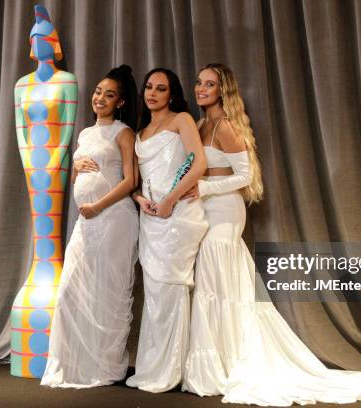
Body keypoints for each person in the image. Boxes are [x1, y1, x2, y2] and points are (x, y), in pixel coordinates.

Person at [181, 63, 361, 405]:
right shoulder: (202, 124)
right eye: (199, 82)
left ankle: (230, 362)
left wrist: (206, 187)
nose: (201, 88)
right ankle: (219, 361)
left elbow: (245, 176)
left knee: (218, 281)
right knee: (214, 283)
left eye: (210, 84)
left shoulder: (226, 127)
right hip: (207, 210)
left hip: (224, 210)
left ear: (223, 90)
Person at [41, 65, 139, 388]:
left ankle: (106, 366)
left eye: (109, 95)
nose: (100, 98)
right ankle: (73, 365)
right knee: (72, 289)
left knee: (107, 292)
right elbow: (79, 182)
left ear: (120, 102)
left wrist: (97, 205)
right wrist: (76, 169)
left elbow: (130, 180)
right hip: (87, 222)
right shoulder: (84, 133)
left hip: (114, 219)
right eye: (98, 92)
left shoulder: (123, 133)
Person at [125, 68, 208, 393]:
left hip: (179, 214)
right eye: (149, 87)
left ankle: (171, 370)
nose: (152, 93)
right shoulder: (140, 131)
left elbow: (197, 163)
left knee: (172, 288)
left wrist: (171, 200)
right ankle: (152, 366)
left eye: (160, 89)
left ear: (171, 95)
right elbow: (136, 180)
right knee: (156, 292)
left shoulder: (182, 120)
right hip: (152, 217)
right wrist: (140, 199)